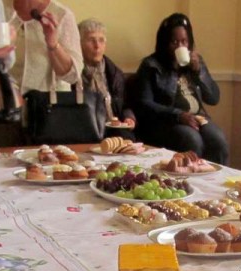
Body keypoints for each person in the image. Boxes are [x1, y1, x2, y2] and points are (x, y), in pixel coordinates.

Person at [134, 13, 228, 165]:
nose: (180, 46)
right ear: (165, 43)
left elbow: (214, 98)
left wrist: (199, 72)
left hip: (198, 118)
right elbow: (144, 104)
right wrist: (178, 115)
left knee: (218, 139)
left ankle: (216, 184)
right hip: (168, 122)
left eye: (184, 41)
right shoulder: (151, 65)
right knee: (192, 139)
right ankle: (188, 184)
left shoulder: (195, 63)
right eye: (174, 42)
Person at [78, 18, 136, 140]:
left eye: (101, 40)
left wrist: (129, 118)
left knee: (127, 139)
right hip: (83, 128)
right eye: (91, 40)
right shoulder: (73, 73)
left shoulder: (115, 74)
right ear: (79, 44)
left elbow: (125, 105)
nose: (97, 46)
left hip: (112, 128)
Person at [9, 0, 82, 94]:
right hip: (5, 103)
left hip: (47, 105)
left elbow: (72, 76)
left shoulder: (61, 14)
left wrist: (53, 43)